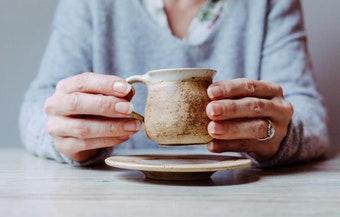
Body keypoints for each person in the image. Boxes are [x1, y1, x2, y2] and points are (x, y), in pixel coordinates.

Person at [19, 0, 329, 167]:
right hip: (114, 209)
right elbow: (38, 105)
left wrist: (279, 135)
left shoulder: (269, 4)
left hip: (239, 204)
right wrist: (66, 136)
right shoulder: (90, 5)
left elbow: (309, 116)